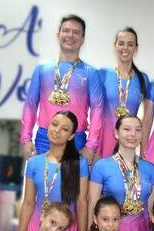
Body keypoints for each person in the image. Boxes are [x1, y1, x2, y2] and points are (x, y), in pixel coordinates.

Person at [20, 14, 103, 164]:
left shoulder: (91, 73)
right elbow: (30, 105)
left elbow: (98, 110)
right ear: (58, 35)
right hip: (44, 139)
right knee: (43, 185)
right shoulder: (42, 69)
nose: (70, 35)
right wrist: (26, 139)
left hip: (75, 139)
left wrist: (91, 145)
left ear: (83, 39)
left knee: (70, 187)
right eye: (66, 30)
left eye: (76, 32)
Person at [18, 111, 88, 231]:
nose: (57, 130)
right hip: (37, 227)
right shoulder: (34, 162)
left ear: (72, 136)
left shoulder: (79, 163)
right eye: (54, 124)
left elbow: (81, 203)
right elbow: (28, 202)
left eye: (65, 129)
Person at [89, 115, 154, 231]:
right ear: (116, 133)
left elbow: (151, 208)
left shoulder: (150, 168)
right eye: (127, 129)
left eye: (137, 130)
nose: (133, 134)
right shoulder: (101, 166)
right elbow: (93, 205)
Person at [98, 27, 150, 157]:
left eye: (130, 44)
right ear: (115, 46)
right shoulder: (102, 74)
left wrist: (143, 148)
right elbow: (94, 110)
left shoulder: (142, 78)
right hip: (102, 140)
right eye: (121, 43)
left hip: (128, 140)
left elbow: (148, 117)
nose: (125, 48)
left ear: (136, 48)